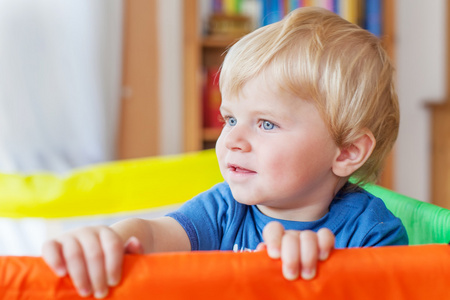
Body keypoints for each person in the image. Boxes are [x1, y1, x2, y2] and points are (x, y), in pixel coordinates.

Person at [42, 7, 408, 299]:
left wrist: (326, 278)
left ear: (347, 151)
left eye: (266, 124)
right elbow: (152, 237)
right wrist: (114, 238)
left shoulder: (372, 234)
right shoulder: (223, 210)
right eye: (230, 119)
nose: (233, 140)